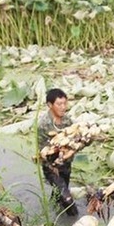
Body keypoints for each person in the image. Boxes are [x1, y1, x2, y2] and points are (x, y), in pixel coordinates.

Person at [37, 88, 77, 216]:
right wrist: (51, 166)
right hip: (52, 167)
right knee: (67, 198)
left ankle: (51, 214)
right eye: (59, 104)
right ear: (50, 105)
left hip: (66, 163)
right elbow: (41, 150)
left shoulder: (67, 121)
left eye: (65, 103)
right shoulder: (44, 124)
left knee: (59, 194)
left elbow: (75, 140)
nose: (63, 107)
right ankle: (73, 219)